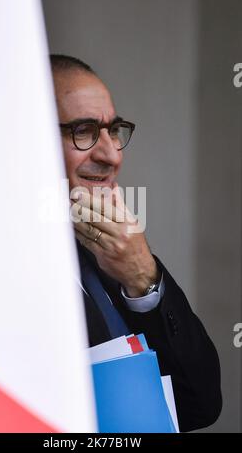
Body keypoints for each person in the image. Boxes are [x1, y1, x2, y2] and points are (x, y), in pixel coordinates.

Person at [50, 54, 222, 432]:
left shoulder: (108, 248)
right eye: (83, 130)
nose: (112, 154)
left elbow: (200, 406)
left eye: (114, 130)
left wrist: (143, 278)